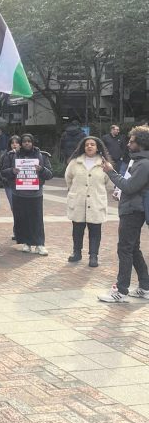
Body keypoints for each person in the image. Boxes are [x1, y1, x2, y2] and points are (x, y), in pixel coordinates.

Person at [99, 125, 149, 302]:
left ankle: (121, 290)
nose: (128, 144)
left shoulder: (144, 164)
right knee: (133, 249)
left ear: (141, 143)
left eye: (132, 141)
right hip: (132, 208)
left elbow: (130, 186)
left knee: (125, 249)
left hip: (133, 211)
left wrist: (110, 172)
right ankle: (144, 287)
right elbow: (129, 186)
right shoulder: (137, 161)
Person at [1, 134, 53, 255]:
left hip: (35, 193)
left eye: (29, 141)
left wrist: (41, 169)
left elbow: (50, 174)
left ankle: (39, 244)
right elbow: (3, 172)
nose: (27, 143)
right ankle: (27, 243)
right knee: (23, 219)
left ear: (33, 142)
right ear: (21, 143)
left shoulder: (42, 155)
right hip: (19, 193)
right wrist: (12, 171)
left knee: (37, 219)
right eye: (24, 141)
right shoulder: (12, 155)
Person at [65, 136, 112, 267]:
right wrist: (74, 191)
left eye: (92, 144)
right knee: (77, 230)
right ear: (83, 147)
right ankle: (77, 252)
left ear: (98, 147)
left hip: (96, 202)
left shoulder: (104, 164)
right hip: (78, 201)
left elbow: (110, 184)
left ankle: (93, 256)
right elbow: (68, 179)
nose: (89, 146)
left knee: (95, 231)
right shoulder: (74, 162)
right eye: (87, 145)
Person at [0, 135, 21, 240]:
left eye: (17, 142)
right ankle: (17, 231)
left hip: (24, 185)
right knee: (15, 208)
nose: (15, 144)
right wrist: (12, 171)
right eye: (13, 143)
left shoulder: (26, 155)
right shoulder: (6, 155)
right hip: (10, 185)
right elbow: (2, 171)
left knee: (23, 208)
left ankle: (22, 231)